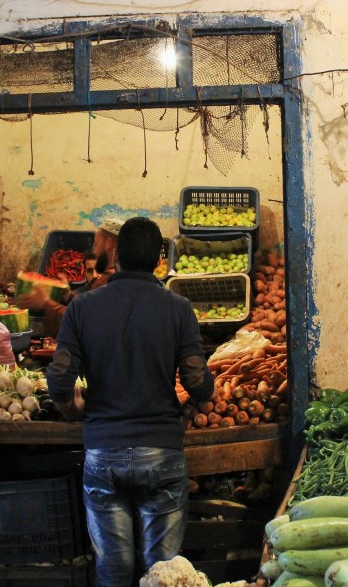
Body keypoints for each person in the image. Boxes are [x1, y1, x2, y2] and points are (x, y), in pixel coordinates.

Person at [45, 217, 215, 587]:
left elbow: (59, 379)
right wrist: (202, 394)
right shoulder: (178, 308)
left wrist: (72, 409)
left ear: (117, 254)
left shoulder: (82, 307)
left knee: (113, 570)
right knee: (164, 573)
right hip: (162, 452)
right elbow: (198, 383)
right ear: (158, 259)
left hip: (103, 451)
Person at [38, 218, 122, 337]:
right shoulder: (112, 277)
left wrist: (46, 303)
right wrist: (68, 295)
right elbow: (88, 306)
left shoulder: (111, 281)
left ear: (108, 244)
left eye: (96, 244)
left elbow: (84, 320)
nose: (95, 251)